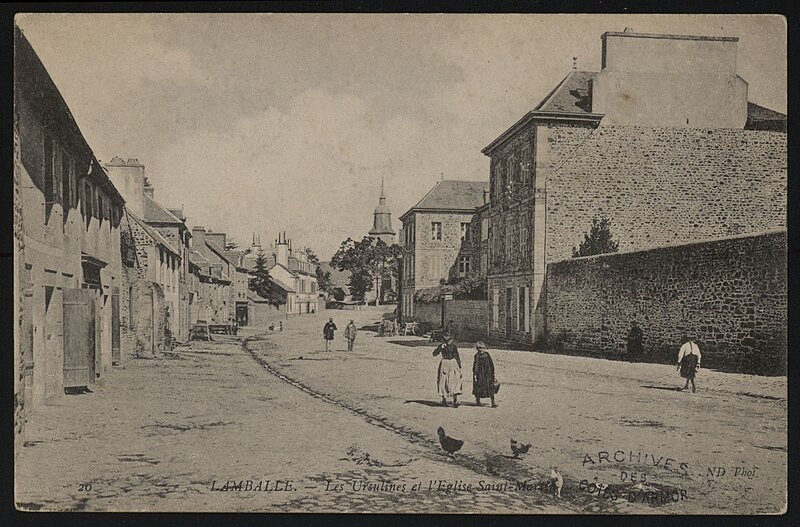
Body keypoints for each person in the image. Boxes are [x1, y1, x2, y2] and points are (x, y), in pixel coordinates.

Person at [433, 331, 462, 407]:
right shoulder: (442, 346)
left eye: (449, 340)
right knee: (444, 381)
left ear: (451, 340)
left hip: (453, 363)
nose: (448, 341)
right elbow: (434, 354)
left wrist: (459, 366)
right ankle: (444, 400)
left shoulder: (454, 346)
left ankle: (455, 400)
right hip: (444, 363)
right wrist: (440, 348)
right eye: (445, 340)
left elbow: (457, 356)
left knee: (454, 380)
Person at [472, 341, 498, 408]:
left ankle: (493, 402)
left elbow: (491, 364)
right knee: (479, 386)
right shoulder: (477, 356)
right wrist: (475, 374)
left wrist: (493, 373)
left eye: (482, 348)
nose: (481, 350)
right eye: (479, 348)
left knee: (490, 387)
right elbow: (475, 366)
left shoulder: (487, 355)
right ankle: (478, 401)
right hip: (480, 374)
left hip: (488, 374)